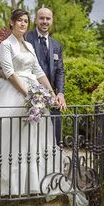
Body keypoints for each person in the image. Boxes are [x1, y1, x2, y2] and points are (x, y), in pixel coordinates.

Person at [0, 9, 62, 197]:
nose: (23, 24)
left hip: (34, 93)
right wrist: (30, 95)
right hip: (14, 91)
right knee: (14, 138)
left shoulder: (29, 46)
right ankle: (12, 185)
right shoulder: (5, 45)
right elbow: (8, 72)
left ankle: (33, 182)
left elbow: (39, 71)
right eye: (19, 21)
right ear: (12, 23)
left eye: (25, 21)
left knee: (33, 139)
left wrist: (50, 93)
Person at [25, 7, 65, 143]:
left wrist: (60, 94)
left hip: (52, 96)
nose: (45, 21)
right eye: (41, 18)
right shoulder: (26, 38)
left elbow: (60, 71)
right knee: (31, 136)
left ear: (52, 21)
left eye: (48, 18)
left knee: (55, 136)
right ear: (36, 20)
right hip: (30, 95)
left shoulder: (57, 45)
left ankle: (54, 161)